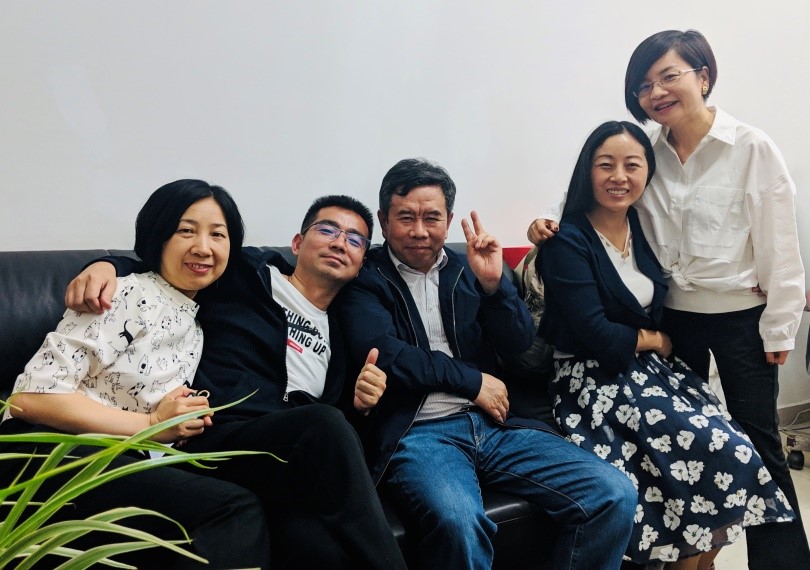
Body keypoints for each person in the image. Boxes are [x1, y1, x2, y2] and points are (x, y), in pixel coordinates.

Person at [527, 29, 809, 569]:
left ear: (703, 77)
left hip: (739, 315)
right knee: (684, 447)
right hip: (673, 319)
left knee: (759, 443)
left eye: (668, 76)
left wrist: (781, 325)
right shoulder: (644, 153)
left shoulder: (751, 148)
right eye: (644, 84)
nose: (655, 92)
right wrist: (545, 225)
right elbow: (589, 205)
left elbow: (780, 243)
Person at [64, 194, 407, 569]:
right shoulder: (245, 274)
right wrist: (105, 264)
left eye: (355, 239)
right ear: (297, 243)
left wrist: (360, 406)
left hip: (278, 462)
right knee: (324, 423)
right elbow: (167, 265)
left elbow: (336, 451)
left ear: (360, 265)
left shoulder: (343, 337)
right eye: (328, 230)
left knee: (321, 550)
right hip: (213, 436)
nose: (340, 242)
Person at [334, 157, 638, 570]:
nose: (419, 230)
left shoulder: (467, 267)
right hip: (419, 433)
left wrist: (495, 287)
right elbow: (387, 354)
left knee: (613, 493)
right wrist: (473, 381)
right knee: (459, 523)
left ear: (449, 221)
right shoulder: (364, 278)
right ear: (384, 221)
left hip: (493, 426)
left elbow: (519, 344)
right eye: (405, 217)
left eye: (431, 218)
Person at [0, 179, 272, 569]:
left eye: (218, 234)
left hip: (117, 461)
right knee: (235, 510)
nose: (204, 247)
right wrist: (151, 424)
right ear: (157, 237)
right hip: (47, 452)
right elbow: (31, 398)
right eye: (186, 231)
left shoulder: (197, 324)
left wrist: (178, 418)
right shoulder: (126, 293)